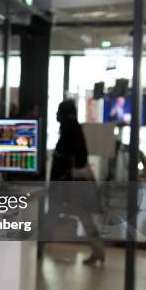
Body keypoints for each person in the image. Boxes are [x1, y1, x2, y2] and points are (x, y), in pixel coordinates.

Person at [50, 100, 105, 265]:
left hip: (70, 185)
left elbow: (77, 158)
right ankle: (98, 250)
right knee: (82, 216)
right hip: (71, 184)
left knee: (54, 214)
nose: (57, 115)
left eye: (59, 111)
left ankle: (38, 247)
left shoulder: (70, 130)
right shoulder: (72, 128)